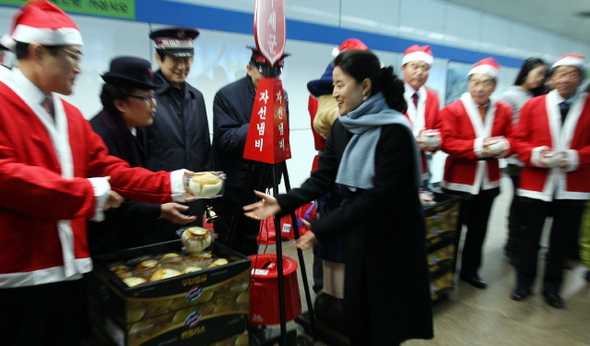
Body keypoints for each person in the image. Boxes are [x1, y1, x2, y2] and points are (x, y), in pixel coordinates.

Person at [0, 2, 194, 345]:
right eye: (73, 57)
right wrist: (89, 194)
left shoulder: (70, 115)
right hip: (19, 276)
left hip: (72, 269)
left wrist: (173, 183)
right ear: (38, 52)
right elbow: (9, 177)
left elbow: (110, 170)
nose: (79, 67)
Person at [244, 50, 433, 345]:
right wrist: (283, 202)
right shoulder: (344, 126)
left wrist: (320, 229)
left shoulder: (394, 131)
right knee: (358, 323)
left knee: (384, 327)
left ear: (365, 86)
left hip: (393, 244)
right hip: (362, 237)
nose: (334, 93)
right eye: (333, 85)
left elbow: (378, 198)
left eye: (340, 85)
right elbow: (324, 176)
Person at [88, 56, 196, 256]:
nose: (154, 104)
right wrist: (159, 209)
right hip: (107, 243)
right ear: (120, 104)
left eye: (154, 95)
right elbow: (116, 197)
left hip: (134, 235)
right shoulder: (98, 136)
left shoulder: (139, 128)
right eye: (146, 98)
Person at [510, 53, 590, 308]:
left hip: (573, 187)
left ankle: (552, 288)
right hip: (537, 184)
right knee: (530, 238)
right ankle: (523, 284)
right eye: (560, 73)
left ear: (581, 79)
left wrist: (573, 157)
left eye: (572, 74)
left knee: (561, 242)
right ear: (552, 78)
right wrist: (536, 155)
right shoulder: (534, 105)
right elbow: (518, 140)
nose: (565, 79)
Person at [304, 38, 368, 332]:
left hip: (351, 189)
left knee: (344, 251)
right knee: (327, 249)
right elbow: (321, 128)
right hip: (331, 178)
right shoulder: (325, 91)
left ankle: (341, 303)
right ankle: (325, 297)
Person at [439, 57, 513, 289]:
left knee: (478, 232)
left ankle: (470, 271)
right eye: (475, 82)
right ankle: (446, 272)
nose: (479, 88)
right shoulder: (453, 109)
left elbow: (512, 138)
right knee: (452, 231)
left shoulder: (503, 110)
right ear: (468, 84)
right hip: (458, 181)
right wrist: (480, 147)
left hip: (488, 182)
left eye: (486, 83)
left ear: (494, 86)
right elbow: (447, 143)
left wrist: (503, 146)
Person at [211, 47, 289, 256]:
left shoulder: (280, 95)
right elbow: (224, 140)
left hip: (258, 184)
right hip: (231, 188)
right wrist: (258, 122)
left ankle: (250, 284)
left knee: (249, 242)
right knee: (227, 243)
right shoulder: (226, 95)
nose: (270, 78)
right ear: (249, 69)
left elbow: (280, 139)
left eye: (276, 73)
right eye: (264, 71)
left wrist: (276, 176)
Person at [145, 27, 213, 243]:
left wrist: (209, 207)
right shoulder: (146, 96)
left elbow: (205, 150)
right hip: (159, 202)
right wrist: (150, 205)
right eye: (175, 59)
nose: (182, 66)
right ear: (158, 57)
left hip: (193, 201)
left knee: (194, 258)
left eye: (188, 59)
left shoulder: (196, 97)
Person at [501, 57, 548, 263]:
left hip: (536, 162)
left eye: (543, 75)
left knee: (531, 206)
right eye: (537, 73)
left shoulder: (538, 95)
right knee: (519, 205)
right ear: (525, 72)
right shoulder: (511, 95)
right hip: (517, 161)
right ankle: (514, 245)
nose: (541, 78)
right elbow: (505, 127)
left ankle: (526, 242)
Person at [401, 44, 441, 185]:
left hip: (422, 167)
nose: (420, 72)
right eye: (415, 66)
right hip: (396, 166)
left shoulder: (433, 96)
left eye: (425, 68)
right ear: (403, 68)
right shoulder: (392, 94)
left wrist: (435, 142)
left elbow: (438, 127)